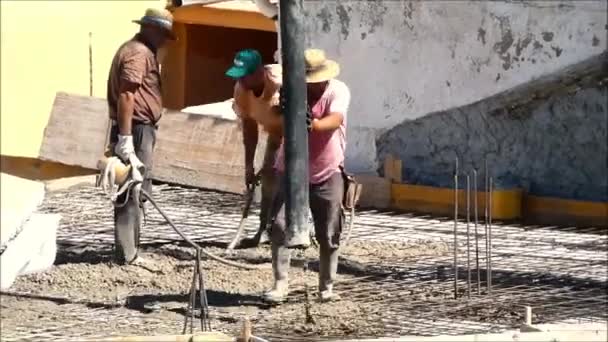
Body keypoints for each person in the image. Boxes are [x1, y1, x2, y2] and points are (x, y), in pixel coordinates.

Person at [264, 48, 351, 303]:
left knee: (329, 231)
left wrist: (312, 123)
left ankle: (326, 287)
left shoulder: (337, 90)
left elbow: (334, 120)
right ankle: (280, 284)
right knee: (279, 226)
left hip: (327, 170)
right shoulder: (290, 92)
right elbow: (272, 123)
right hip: (290, 171)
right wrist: (281, 111)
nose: (314, 86)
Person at [106, 8, 175, 265]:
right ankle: (127, 254)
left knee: (137, 187)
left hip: (137, 127)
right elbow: (127, 95)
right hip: (135, 128)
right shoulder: (138, 53)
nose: (165, 40)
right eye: (164, 34)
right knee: (130, 188)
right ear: (152, 30)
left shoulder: (139, 50)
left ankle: (131, 250)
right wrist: (126, 140)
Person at [226, 49, 283, 245]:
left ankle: (296, 229)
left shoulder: (279, 83)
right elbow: (249, 127)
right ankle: (265, 229)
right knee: (269, 180)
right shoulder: (241, 90)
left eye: (245, 76)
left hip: (301, 138)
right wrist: (248, 165)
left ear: (259, 72)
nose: (240, 81)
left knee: (290, 184)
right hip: (276, 136)